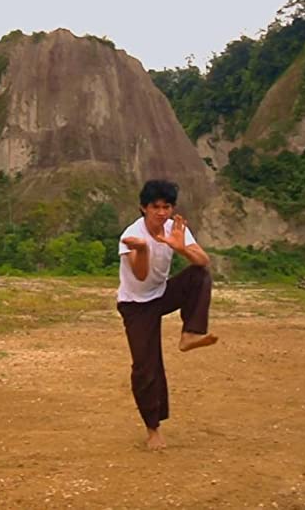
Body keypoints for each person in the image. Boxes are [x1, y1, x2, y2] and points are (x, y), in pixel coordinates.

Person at [117, 179, 218, 450]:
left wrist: (181, 247)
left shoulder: (176, 229)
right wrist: (143, 249)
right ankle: (153, 430)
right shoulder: (132, 235)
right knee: (145, 366)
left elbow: (204, 260)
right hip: (136, 304)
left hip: (161, 294)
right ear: (143, 208)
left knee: (199, 275)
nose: (162, 212)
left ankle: (190, 334)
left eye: (167, 206)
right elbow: (139, 275)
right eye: (155, 207)